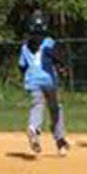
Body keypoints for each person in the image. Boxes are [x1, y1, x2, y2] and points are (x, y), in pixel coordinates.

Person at [18, 14, 68, 155]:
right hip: (49, 80)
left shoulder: (25, 46)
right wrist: (63, 67)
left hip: (32, 81)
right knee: (55, 108)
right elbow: (60, 57)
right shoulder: (49, 42)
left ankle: (34, 127)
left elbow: (22, 65)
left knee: (37, 105)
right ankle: (60, 140)